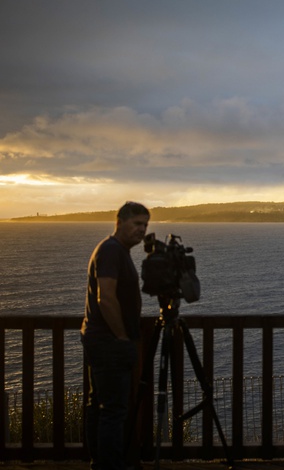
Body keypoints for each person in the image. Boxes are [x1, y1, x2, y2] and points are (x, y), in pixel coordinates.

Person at [81, 201, 150, 470]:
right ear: (119, 222)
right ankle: (110, 465)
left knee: (98, 405)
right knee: (113, 410)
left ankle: (99, 462)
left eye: (145, 224)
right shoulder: (111, 251)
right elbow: (105, 298)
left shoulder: (116, 250)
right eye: (137, 224)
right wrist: (122, 338)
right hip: (109, 343)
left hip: (100, 340)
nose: (142, 230)